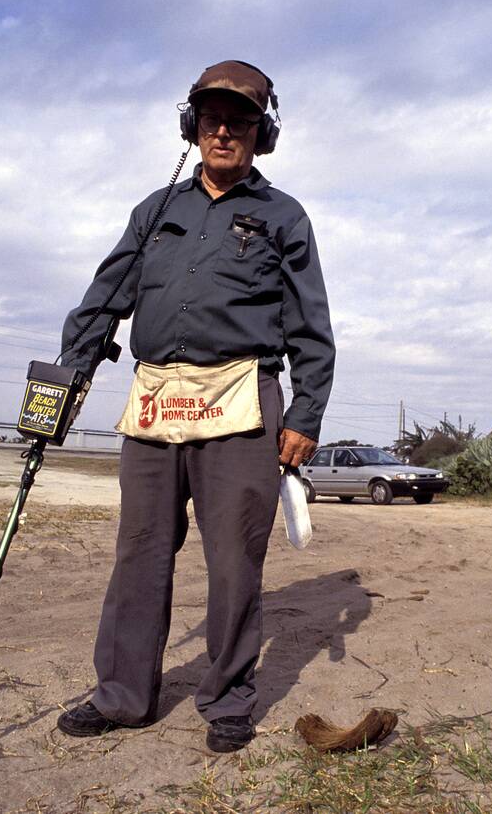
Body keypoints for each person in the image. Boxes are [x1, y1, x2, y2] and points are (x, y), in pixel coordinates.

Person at [54, 60, 335, 753]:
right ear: (192, 124)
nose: (222, 130)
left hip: (242, 400)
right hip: (156, 399)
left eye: (239, 120)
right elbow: (105, 297)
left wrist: (303, 416)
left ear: (261, 132)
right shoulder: (155, 211)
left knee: (236, 559)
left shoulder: (284, 217)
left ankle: (229, 698)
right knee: (140, 551)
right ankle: (122, 696)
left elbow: (311, 327)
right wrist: (67, 377)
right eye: (211, 117)